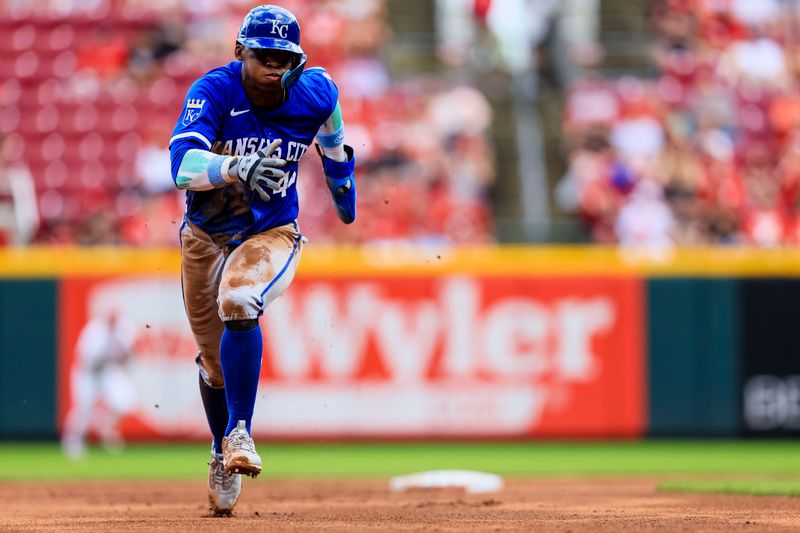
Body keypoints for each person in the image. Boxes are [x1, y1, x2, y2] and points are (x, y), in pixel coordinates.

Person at [168, 5, 357, 516]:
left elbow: (333, 134)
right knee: (211, 364)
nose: (274, 66)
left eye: (284, 57)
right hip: (206, 236)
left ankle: (240, 431)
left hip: (269, 231)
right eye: (263, 55)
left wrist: (341, 181)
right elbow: (181, 166)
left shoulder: (315, 90)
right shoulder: (214, 90)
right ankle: (220, 447)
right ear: (240, 52)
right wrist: (234, 165)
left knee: (239, 297)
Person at [61, 308, 138, 460]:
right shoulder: (94, 331)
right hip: (87, 373)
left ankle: (106, 426)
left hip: (107, 371)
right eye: (111, 316)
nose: (113, 319)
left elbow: (127, 357)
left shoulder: (124, 329)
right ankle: (73, 442)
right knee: (83, 409)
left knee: (127, 402)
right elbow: (87, 360)